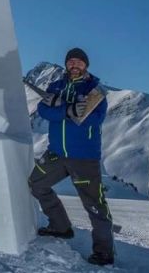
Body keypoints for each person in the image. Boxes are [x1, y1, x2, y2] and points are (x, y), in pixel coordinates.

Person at [28, 47, 113, 266]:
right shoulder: (56, 86)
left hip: (84, 158)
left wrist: (63, 108)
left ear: (86, 65)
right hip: (56, 153)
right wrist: (67, 109)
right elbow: (44, 110)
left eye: (79, 62)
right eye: (70, 62)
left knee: (95, 205)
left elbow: (91, 118)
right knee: (36, 184)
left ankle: (104, 252)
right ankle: (60, 227)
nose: (74, 65)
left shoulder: (95, 89)